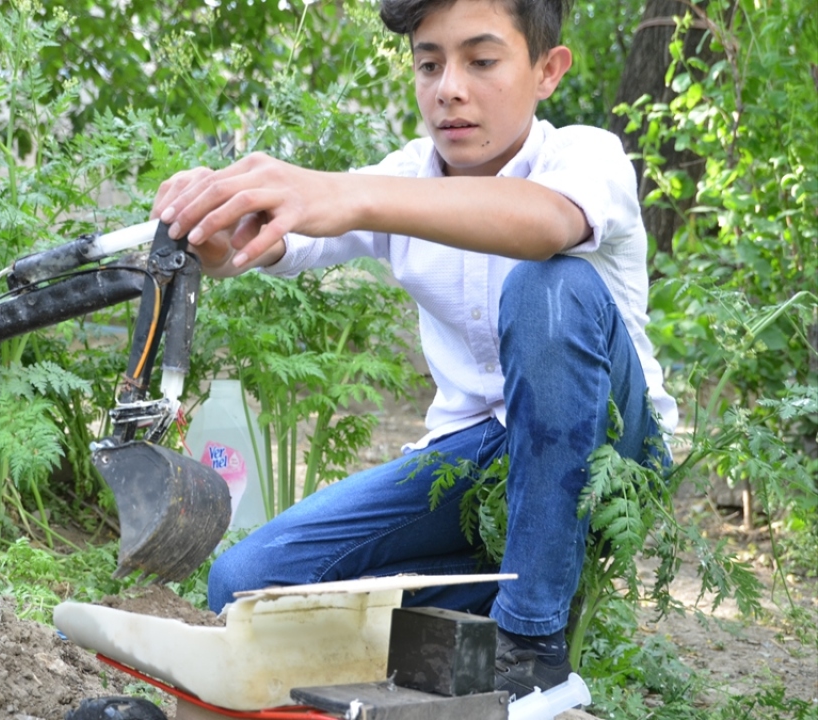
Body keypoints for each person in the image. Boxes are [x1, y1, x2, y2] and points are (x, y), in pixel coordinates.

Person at [150, 0, 678, 699]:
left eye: (481, 61)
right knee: (247, 584)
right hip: (471, 454)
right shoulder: (403, 175)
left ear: (548, 71)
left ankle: (531, 649)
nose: (449, 89)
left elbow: (546, 223)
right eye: (429, 65)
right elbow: (282, 237)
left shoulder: (584, 156)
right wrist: (218, 230)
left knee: (549, 286)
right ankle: (487, 606)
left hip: (609, 445)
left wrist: (349, 194)